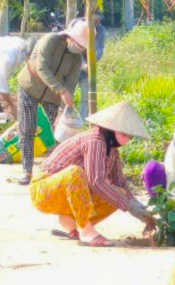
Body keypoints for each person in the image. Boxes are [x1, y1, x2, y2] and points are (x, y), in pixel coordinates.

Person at [29, 100, 154, 247]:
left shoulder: (112, 150)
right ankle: (86, 230)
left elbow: (120, 182)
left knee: (118, 192)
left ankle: (73, 224)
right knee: (75, 172)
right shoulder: (95, 140)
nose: (127, 140)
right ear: (111, 129)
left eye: (129, 137)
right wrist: (128, 205)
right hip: (42, 190)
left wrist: (136, 206)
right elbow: (96, 181)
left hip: (66, 193)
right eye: (124, 135)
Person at [15, 21, 87, 185]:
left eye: (83, 46)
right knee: (27, 129)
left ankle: (59, 169)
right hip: (30, 86)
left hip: (53, 95)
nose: (79, 48)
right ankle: (27, 171)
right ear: (70, 37)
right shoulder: (50, 40)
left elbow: (71, 82)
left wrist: (66, 106)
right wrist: (61, 91)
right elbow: (42, 68)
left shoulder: (76, 58)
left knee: (59, 130)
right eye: (78, 44)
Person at [72, 9, 107, 119]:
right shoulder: (75, 24)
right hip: (72, 67)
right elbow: (73, 47)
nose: (97, 22)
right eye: (95, 19)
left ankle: (81, 122)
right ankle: (68, 119)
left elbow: (100, 48)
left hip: (87, 69)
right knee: (68, 94)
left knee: (85, 97)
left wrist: (90, 62)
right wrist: (82, 63)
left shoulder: (101, 30)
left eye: (99, 20)